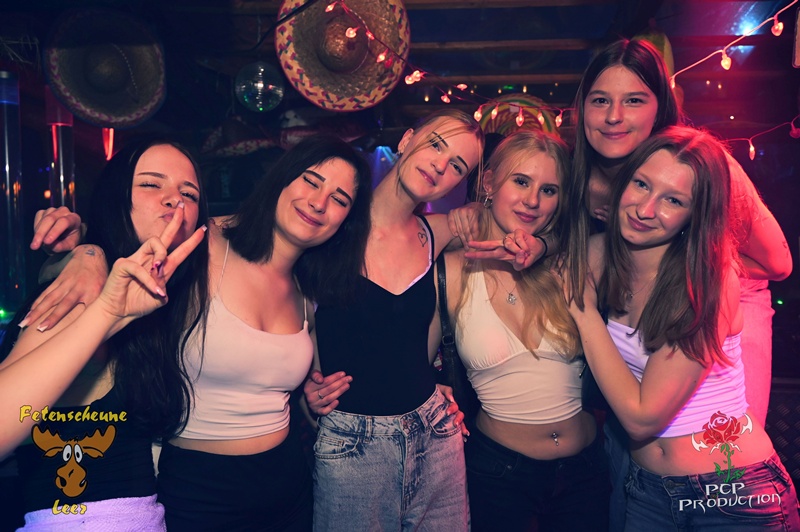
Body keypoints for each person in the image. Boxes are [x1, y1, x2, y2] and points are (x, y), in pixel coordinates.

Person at [23, 135, 374, 531]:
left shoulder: (310, 285)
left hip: (289, 485)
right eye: (311, 181)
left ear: (346, 221)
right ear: (283, 177)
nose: (319, 202)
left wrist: (310, 397)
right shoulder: (200, 241)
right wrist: (83, 252)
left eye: (340, 199)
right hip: (197, 489)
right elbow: (122, 240)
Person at [567, 38, 792, 531]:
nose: (614, 116)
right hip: (648, 482)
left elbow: (777, 263)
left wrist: (705, 263)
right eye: (601, 99)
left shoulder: (705, 169)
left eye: (634, 100)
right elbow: (558, 252)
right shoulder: (584, 184)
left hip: (728, 486)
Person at [1, 139, 208, 530]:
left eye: (189, 193)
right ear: (117, 198)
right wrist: (98, 291)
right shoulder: (84, 294)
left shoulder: (157, 295)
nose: (174, 200)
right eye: (151, 184)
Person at [304, 109, 483, 531]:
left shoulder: (436, 233)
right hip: (351, 447)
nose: (440, 165)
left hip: (435, 435)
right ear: (406, 140)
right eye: (435, 144)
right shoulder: (331, 223)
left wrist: (480, 209)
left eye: (457, 165)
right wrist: (303, 389)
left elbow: (525, 221)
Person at [443, 130, 609, 530]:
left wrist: (547, 246)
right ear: (489, 182)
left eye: (549, 190)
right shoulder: (451, 268)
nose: (533, 200)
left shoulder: (575, 262)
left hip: (586, 472)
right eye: (521, 181)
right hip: (498, 475)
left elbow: (629, 220)